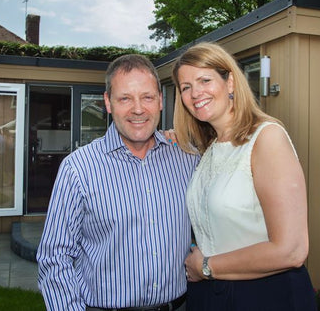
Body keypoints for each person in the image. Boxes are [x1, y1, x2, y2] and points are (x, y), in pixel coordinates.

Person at [37, 54, 199, 311]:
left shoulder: (187, 159)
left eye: (147, 97)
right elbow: (55, 257)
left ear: (160, 100)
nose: (138, 109)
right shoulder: (79, 168)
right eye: (125, 98)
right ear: (108, 103)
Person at [171, 42, 317, 310]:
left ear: (230, 82)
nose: (195, 93)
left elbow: (292, 250)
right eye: (186, 87)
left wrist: (206, 266)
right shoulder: (210, 150)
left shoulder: (266, 137)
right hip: (211, 295)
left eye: (205, 80)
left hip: (266, 295)